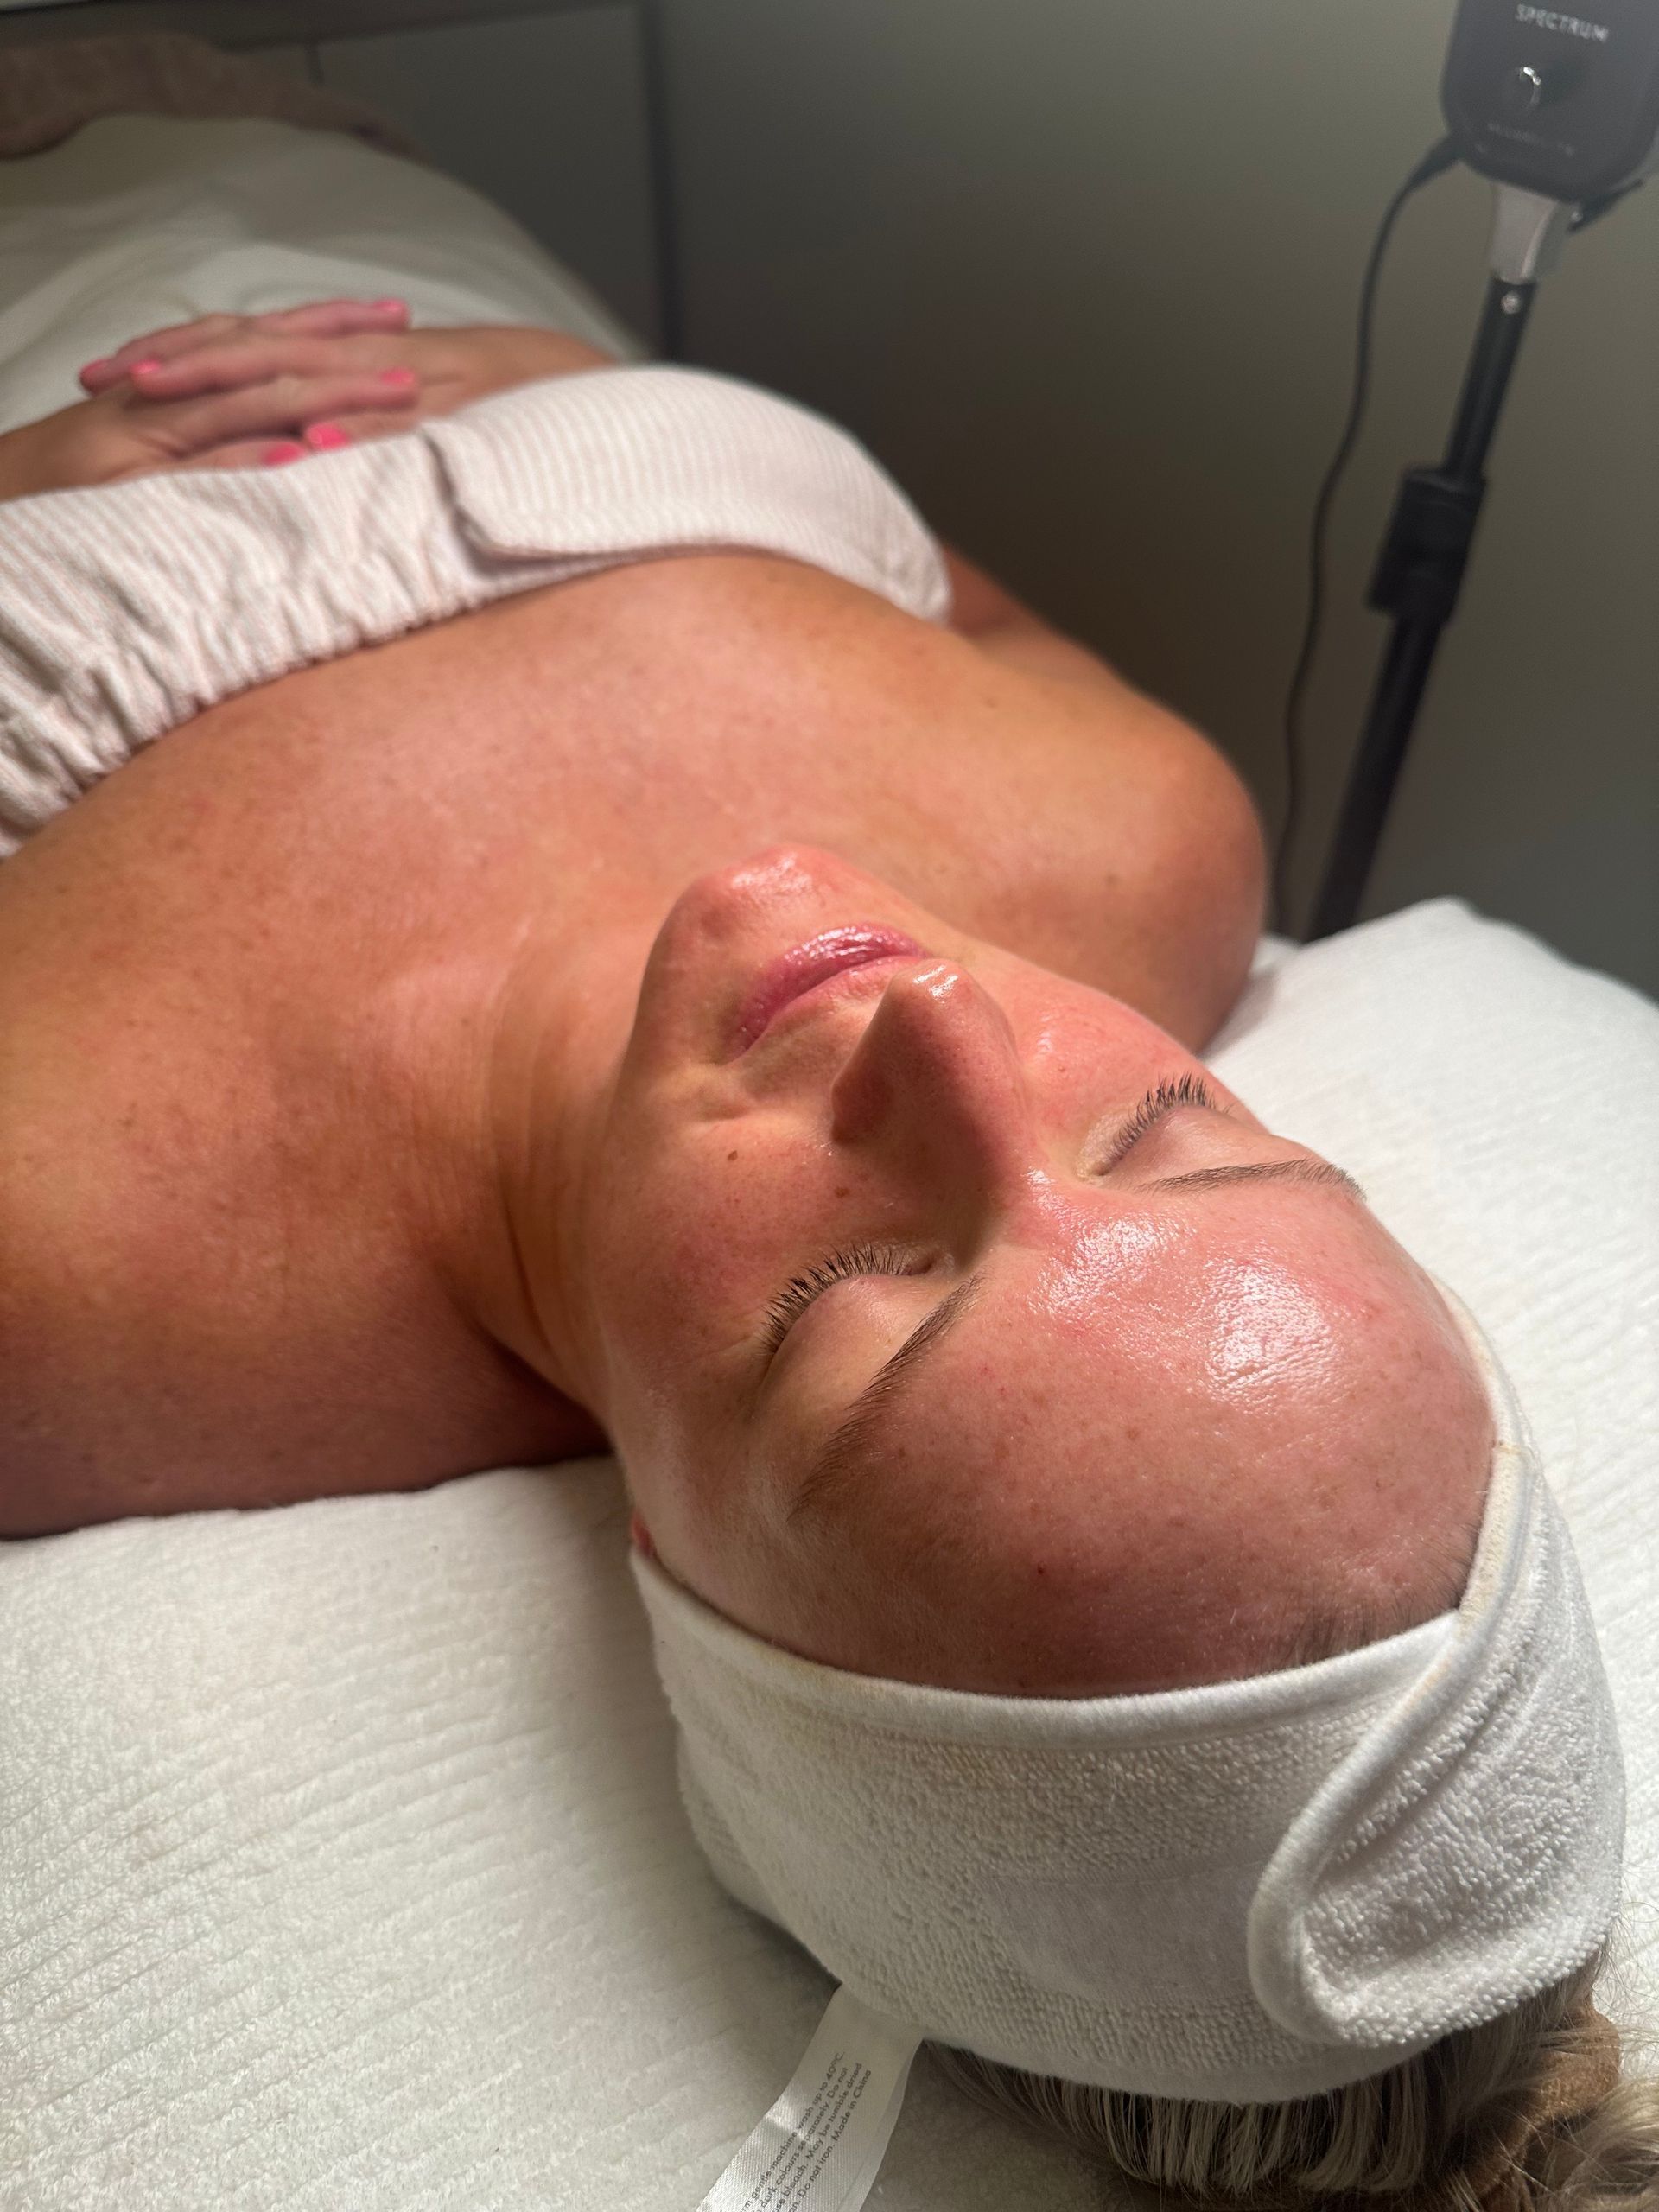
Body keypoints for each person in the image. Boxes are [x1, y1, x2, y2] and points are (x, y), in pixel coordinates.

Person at [0, 98, 1648, 2211]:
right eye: (1176, 1129)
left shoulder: (74, 1255)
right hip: (366, 146)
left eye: (853, 1295)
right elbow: (959, 596)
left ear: (682, 1585)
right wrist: (597, 402)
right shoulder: (1147, 836)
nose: (941, 1026)